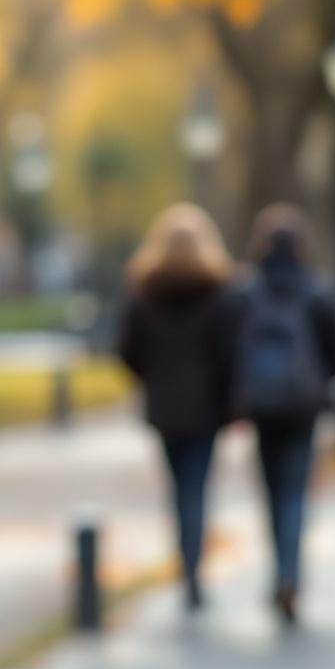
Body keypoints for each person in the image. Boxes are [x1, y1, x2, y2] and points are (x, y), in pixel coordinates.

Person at [118, 203, 237, 612]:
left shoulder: (146, 291)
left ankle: (186, 565)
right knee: (197, 488)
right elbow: (228, 352)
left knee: (177, 488)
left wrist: (153, 378)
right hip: (205, 409)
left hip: (166, 408)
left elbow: (127, 350)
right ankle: (193, 568)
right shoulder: (218, 292)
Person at [235, 203, 335, 625]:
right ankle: (290, 574)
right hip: (302, 407)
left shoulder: (248, 290)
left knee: (271, 492)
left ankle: (278, 571)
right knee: (296, 493)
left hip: (263, 407)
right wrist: (321, 383)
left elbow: (234, 349)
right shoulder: (315, 290)